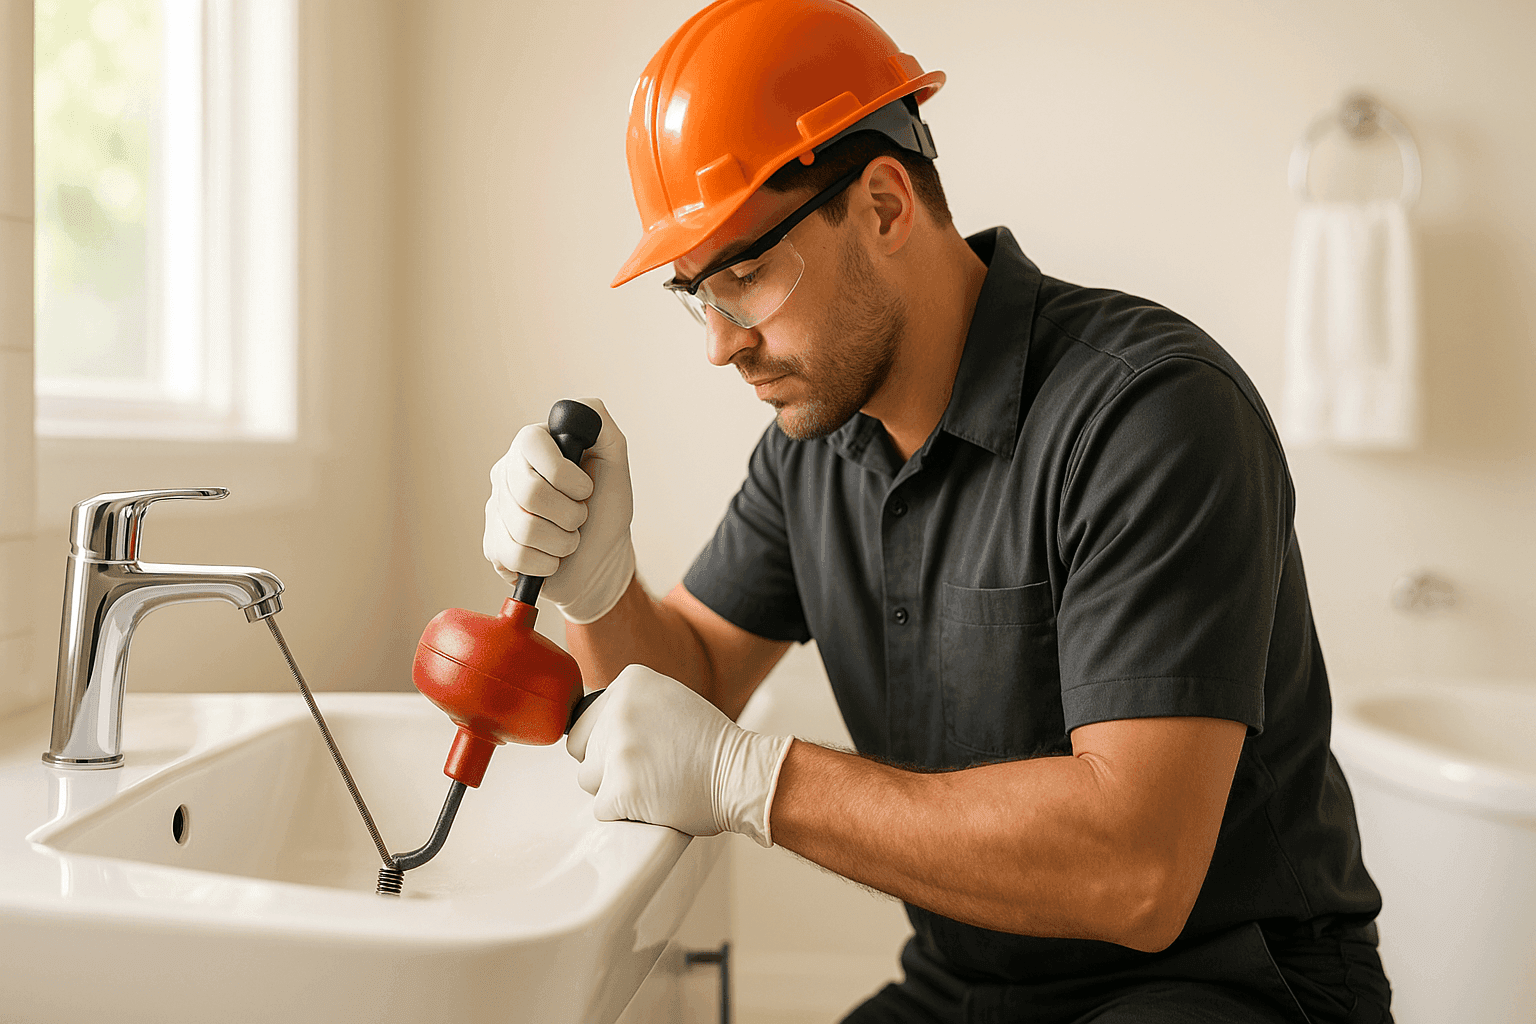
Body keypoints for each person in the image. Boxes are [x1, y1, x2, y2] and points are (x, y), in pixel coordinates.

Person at [481, 1, 1395, 1021]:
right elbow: (685, 688)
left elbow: (1137, 864)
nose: (720, 343)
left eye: (744, 273)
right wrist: (600, 587)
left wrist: (753, 778)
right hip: (966, 993)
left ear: (882, 206)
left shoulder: (1150, 414)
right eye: (696, 292)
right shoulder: (814, 453)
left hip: (1212, 990)